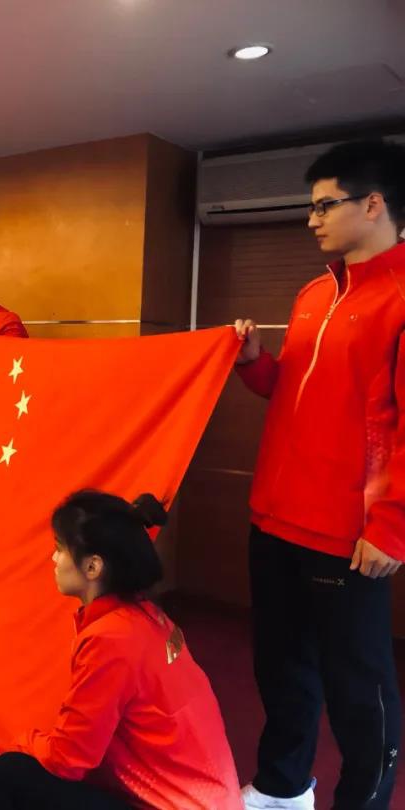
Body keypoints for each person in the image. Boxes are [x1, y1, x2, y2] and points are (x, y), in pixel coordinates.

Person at [233, 139, 405, 810]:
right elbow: (293, 392)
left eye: (324, 205)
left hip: (348, 534)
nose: (312, 220)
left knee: (357, 688)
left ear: (374, 203)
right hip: (275, 518)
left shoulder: (399, 298)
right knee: (280, 668)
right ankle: (283, 787)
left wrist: (391, 527)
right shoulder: (314, 293)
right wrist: (254, 362)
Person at [0, 490, 242, 810]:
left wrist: (21, 743)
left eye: (60, 549)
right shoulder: (149, 617)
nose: (54, 559)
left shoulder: (111, 639)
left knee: (9, 772)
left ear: (93, 567)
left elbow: (69, 758)